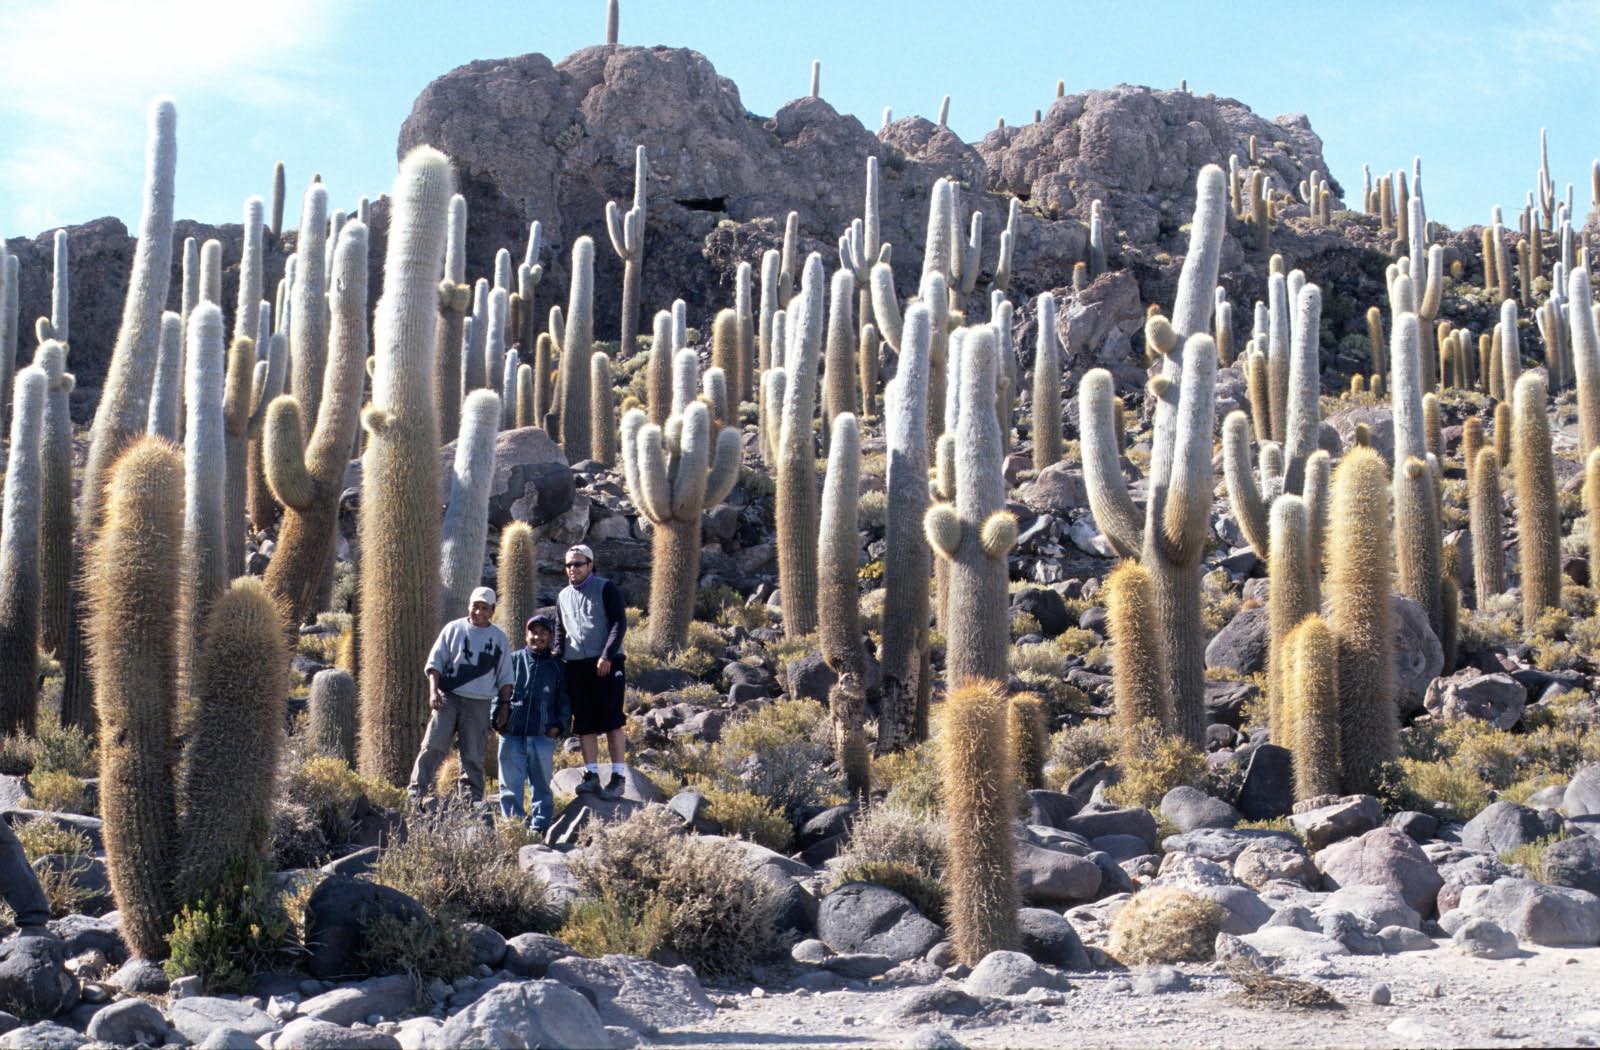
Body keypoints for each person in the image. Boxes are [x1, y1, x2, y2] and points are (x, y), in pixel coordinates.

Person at [410, 586, 515, 803]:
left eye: (484, 608)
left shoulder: (498, 638)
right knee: (433, 744)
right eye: (475, 606)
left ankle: (471, 799)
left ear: (492, 610)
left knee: (473, 754)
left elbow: (505, 677)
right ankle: (416, 792)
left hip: (480, 702)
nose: (479, 612)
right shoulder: (453, 629)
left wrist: (504, 706)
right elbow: (435, 663)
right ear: (468, 606)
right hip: (448, 697)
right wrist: (433, 691)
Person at [553, 544, 628, 799]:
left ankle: (618, 777)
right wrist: (556, 656)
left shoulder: (606, 588)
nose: (572, 569)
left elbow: (618, 622)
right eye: (568, 565)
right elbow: (560, 630)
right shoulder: (563, 596)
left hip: (606, 662)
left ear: (590, 565)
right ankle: (591, 775)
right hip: (576, 665)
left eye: (578, 564)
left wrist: (607, 655)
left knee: (612, 719)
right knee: (584, 723)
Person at [493, 615, 570, 833]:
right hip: (512, 733)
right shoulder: (513, 660)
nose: (538, 637)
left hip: (542, 734)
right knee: (509, 786)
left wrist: (559, 726)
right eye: (533, 632)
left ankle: (541, 827)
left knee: (542, 784)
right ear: (526, 635)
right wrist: (496, 719)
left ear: (550, 637)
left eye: (543, 633)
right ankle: (515, 829)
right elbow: (497, 689)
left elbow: (565, 700)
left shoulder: (557, 667)